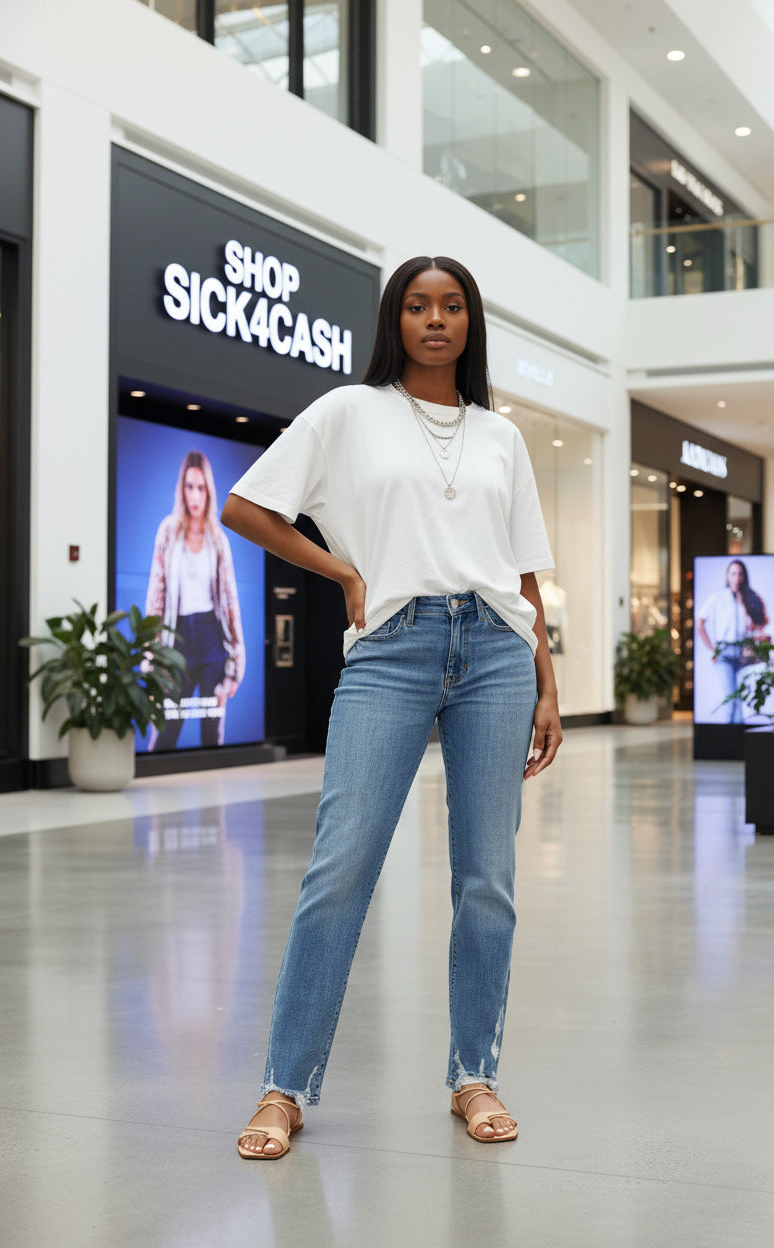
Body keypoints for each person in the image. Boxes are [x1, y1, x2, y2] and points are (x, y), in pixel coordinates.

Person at [221, 256, 562, 1160]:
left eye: (451, 306)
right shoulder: (347, 413)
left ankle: (474, 1074)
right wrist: (341, 570)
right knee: (340, 870)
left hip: (497, 651)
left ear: (469, 321)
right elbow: (245, 506)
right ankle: (284, 1088)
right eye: (418, 305)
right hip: (391, 649)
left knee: (486, 879)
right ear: (395, 319)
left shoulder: (501, 437)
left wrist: (547, 678)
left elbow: (523, 564)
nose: (435, 320)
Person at [146, 449, 245, 750]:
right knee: (166, 729)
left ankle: (213, 788)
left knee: (211, 728)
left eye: (201, 487)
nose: (195, 495)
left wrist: (236, 657)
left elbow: (229, 603)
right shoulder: (167, 531)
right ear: (182, 489)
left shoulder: (218, 539)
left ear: (208, 491)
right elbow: (156, 596)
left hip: (212, 640)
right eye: (189, 486)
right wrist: (151, 655)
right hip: (177, 639)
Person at [696, 558, 769, 723]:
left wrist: (745, 607)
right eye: (733, 574)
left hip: (744, 655)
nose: (737, 578)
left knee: (740, 701)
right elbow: (700, 622)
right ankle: (730, 741)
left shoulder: (748, 599)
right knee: (731, 700)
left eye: (740, 574)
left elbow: (761, 623)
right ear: (728, 576)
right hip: (725, 654)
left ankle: (738, 743)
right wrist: (711, 648)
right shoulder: (718, 598)